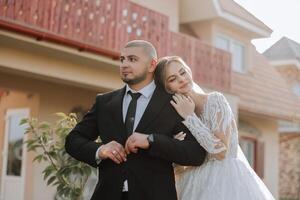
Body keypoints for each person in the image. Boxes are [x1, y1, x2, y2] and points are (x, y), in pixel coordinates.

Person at [65, 40, 207, 200]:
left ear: (152, 65)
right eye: (122, 60)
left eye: (132, 59)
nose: (124, 64)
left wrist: (152, 140)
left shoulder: (173, 103)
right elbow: (73, 140)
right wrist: (100, 150)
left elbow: (196, 154)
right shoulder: (104, 103)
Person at [154, 56, 275, 200]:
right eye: (172, 79)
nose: (181, 79)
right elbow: (178, 167)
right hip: (192, 184)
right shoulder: (173, 117)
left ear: (189, 71)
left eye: (183, 72)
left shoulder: (215, 101)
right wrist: (175, 145)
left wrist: (190, 117)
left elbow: (221, 152)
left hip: (226, 180)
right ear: (166, 88)